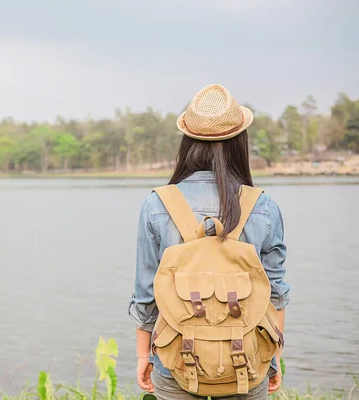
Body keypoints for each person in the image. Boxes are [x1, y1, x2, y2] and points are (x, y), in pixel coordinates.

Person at [128, 84, 289, 400]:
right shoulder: (263, 206)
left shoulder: (158, 204)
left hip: (175, 361)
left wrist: (143, 356)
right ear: (239, 142)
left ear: (187, 141)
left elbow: (146, 294)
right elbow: (275, 293)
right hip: (249, 362)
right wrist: (275, 359)